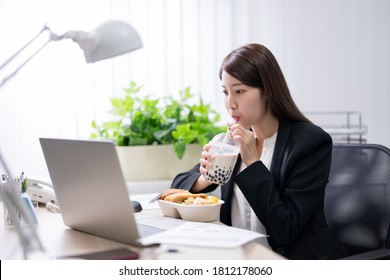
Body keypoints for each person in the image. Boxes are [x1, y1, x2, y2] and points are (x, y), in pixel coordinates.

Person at [171, 43, 348, 260]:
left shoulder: (311, 143)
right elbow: (176, 186)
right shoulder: (234, 141)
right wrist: (205, 177)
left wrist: (253, 163)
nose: (230, 104)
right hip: (239, 259)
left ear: (268, 91)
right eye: (226, 92)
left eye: (239, 91)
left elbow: (285, 228)